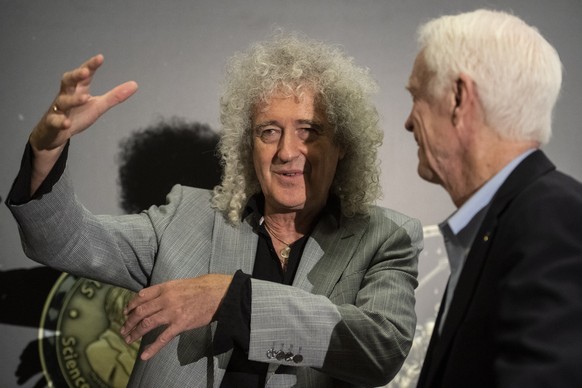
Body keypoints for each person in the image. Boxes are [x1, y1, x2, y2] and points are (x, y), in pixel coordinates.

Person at [7, 33, 422, 387]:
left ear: (343, 144)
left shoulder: (385, 237)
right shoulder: (186, 217)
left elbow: (379, 349)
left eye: (309, 131)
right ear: (249, 145)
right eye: (269, 132)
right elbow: (65, 240)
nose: (287, 152)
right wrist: (47, 150)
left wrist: (233, 298)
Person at [403, 9, 582, 388]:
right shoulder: (509, 219)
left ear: (458, 98)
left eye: (416, 95)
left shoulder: (550, 217)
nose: (407, 121)